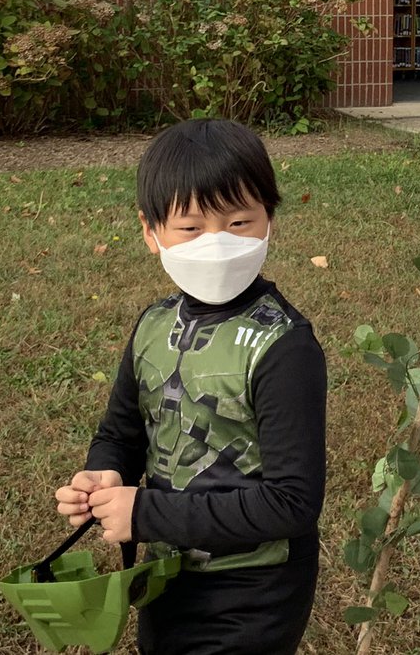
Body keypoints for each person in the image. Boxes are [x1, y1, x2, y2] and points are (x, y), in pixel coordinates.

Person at [53, 119, 327, 654]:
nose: (218, 243)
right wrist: (106, 471)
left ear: (270, 219)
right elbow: (122, 430)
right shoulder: (153, 326)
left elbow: (293, 503)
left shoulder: (284, 347)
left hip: (254, 591)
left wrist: (142, 512)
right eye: (191, 227)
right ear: (151, 233)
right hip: (167, 576)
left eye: (240, 221)